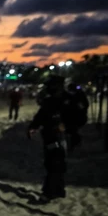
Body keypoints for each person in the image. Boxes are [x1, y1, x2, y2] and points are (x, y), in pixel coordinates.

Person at [28, 75, 71, 203]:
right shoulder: (50, 100)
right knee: (53, 163)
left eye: (51, 85)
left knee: (56, 163)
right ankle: (58, 190)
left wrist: (66, 125)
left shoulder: (67, 100)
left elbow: (77, 116)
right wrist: (33, 127)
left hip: (60, 136)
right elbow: (41, 115)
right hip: (49, 135)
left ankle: (49, 193)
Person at [64, 83, 89, 152]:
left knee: (72, 131)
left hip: (78, 117)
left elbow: (83, 106)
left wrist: (79, 107)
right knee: (70, 131)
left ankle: (73, 144)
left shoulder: (79, 95)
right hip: (71, 118)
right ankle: (73, 143)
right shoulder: (68, 96)